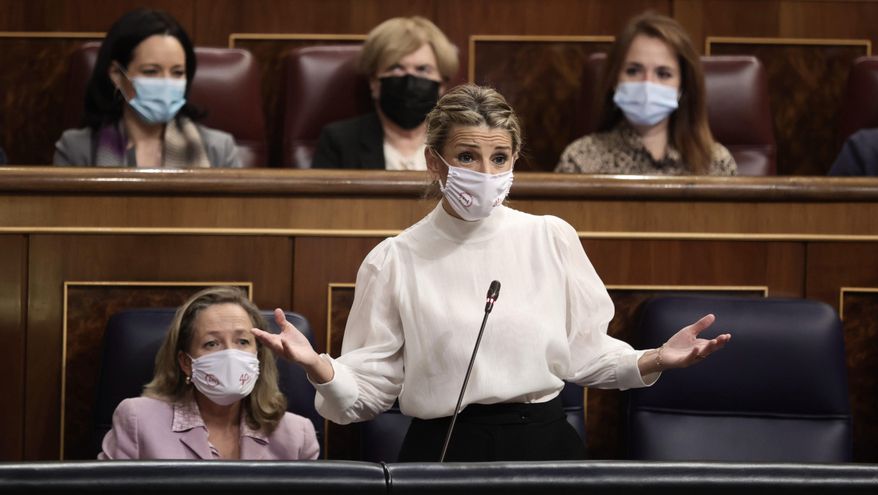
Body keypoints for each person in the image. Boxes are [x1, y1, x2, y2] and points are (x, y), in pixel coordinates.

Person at [255, 84, 731, 462]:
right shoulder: (395, 259)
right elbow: (364, 396)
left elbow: (586, 353)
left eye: (499, 158)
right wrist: (321, 367)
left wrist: (654, 360)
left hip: (543, 448)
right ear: (433, 163)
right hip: (444, 451)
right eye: (467, 157)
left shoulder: (550, 237)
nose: (485, 173)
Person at [99, 287, 319, 460]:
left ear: (258, 356)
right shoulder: (138, 421)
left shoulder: (297, 435)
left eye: (242, 341)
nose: (230, 355)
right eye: (212, 343)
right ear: (186, 362)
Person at [53, 9, 241, 168]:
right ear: (117, 75)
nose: (166, 83)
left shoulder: (219, 149)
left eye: (177, 73)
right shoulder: (76, 149)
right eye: (151, 71)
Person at [556, 12, 735, 176]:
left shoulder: (716, 164)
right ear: (614, 80)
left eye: (663, 74)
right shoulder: (580, 160)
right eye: (633, 71)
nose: (647, 84)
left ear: (683, 86)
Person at [311, 16, 458, 170]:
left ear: (442, 84)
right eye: (396, 68)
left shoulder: (459, 140)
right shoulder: (339, 141)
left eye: (422, 69)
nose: (409, 81)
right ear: (374, 83)